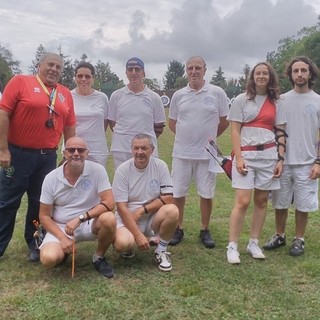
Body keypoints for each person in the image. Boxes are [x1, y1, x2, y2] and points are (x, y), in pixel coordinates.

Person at [0, 53, 76, 262]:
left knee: (40, 203)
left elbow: (70, 126)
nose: (54, 69)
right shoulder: (20, 82)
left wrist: (70, 154)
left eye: (58, 67)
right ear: (39, 65)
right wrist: (3, 149)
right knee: (7, 202)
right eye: (50, 65)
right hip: (18, 154)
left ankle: (34, 243)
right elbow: (3, 114)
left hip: (47, 158)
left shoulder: (64, 93)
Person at [226, 62, 286, 264]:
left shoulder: (276, 101)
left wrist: (280, 158)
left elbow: (280, 132)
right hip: (247, 156)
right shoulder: (241, 100)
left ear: (270, 77)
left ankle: (253, 242)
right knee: (242, 201)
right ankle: (232, 246)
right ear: (252, 77)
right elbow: (234, 130)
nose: (261, 76)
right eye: (258, 73)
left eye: (265, 73)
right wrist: (239, 157)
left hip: (268, 157)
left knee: (261, 201)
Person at [168, 56, 229, 248]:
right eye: (190, 68)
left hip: (206, 155)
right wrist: (188, 138)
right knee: (178, 193)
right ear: (186, 71)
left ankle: (204, 230)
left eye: (197, 68)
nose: (193, 71)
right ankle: (178, 228)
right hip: (181, 153)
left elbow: (224, 120)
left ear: (205, 69)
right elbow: (172, 123)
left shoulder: (217, 92)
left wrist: (208, 140)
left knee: (206, 193)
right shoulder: (179, 95)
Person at [263, 56, 320, 256]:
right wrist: (278, 159)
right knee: (280, 202)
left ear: (310, 73)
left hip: (307, 163)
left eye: (303, 70)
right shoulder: (282, 100)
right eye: (295, 71)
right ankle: (279, 235)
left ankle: (299, 239)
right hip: (283, 162)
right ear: (290, 74)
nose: (299, 74)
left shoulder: (317, 100)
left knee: (304, 204)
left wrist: (318, 162)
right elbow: (278, 131)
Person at [39, 137, 116, 278]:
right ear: (64, 153)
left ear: (87, 153)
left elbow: (110, 203)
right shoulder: (51, 178)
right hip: (61, 226)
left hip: (89, 222)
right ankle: (62, 249)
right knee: (48, 259)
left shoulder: (98, 170)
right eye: (71, 150)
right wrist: (62, 238)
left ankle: (99, 257)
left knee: (109, 218)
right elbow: (44, 216)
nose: (76, 153)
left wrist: (81, 218)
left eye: (81, 150)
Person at [112, 134, 179, 272]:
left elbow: (168, 198)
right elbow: (121, 207)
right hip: (127, 218)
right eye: (136, 148)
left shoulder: (160, 166)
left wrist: (142, 210)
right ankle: (130, 244)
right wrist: (137, 235)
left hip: (150, 218)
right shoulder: (123, 170)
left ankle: (161, 250)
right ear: (131, 150)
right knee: (122, 244)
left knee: (173, 210)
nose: (140, 152)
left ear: (152, 150)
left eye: (144, 148)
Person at [108, 57, 165, 170]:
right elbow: (112, 122)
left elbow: (159, 126)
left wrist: (145, 142)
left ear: (143, 73)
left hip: (146, 149)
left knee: (146, 183)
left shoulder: (154, 97)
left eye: (137, 69)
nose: (133, 73)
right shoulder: (116, 95)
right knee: (122, 183)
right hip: (121, 148)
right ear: (126, 73)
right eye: (130, 69)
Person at [70, 62, 109, 167]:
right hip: (74, 149)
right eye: (80, 76)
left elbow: (104, 122)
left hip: (97, 150)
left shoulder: (102, 98)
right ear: (75, 78)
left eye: (87, 76)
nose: (83, 79)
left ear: (93, 78)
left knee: (97, 181)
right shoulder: (68, 96)